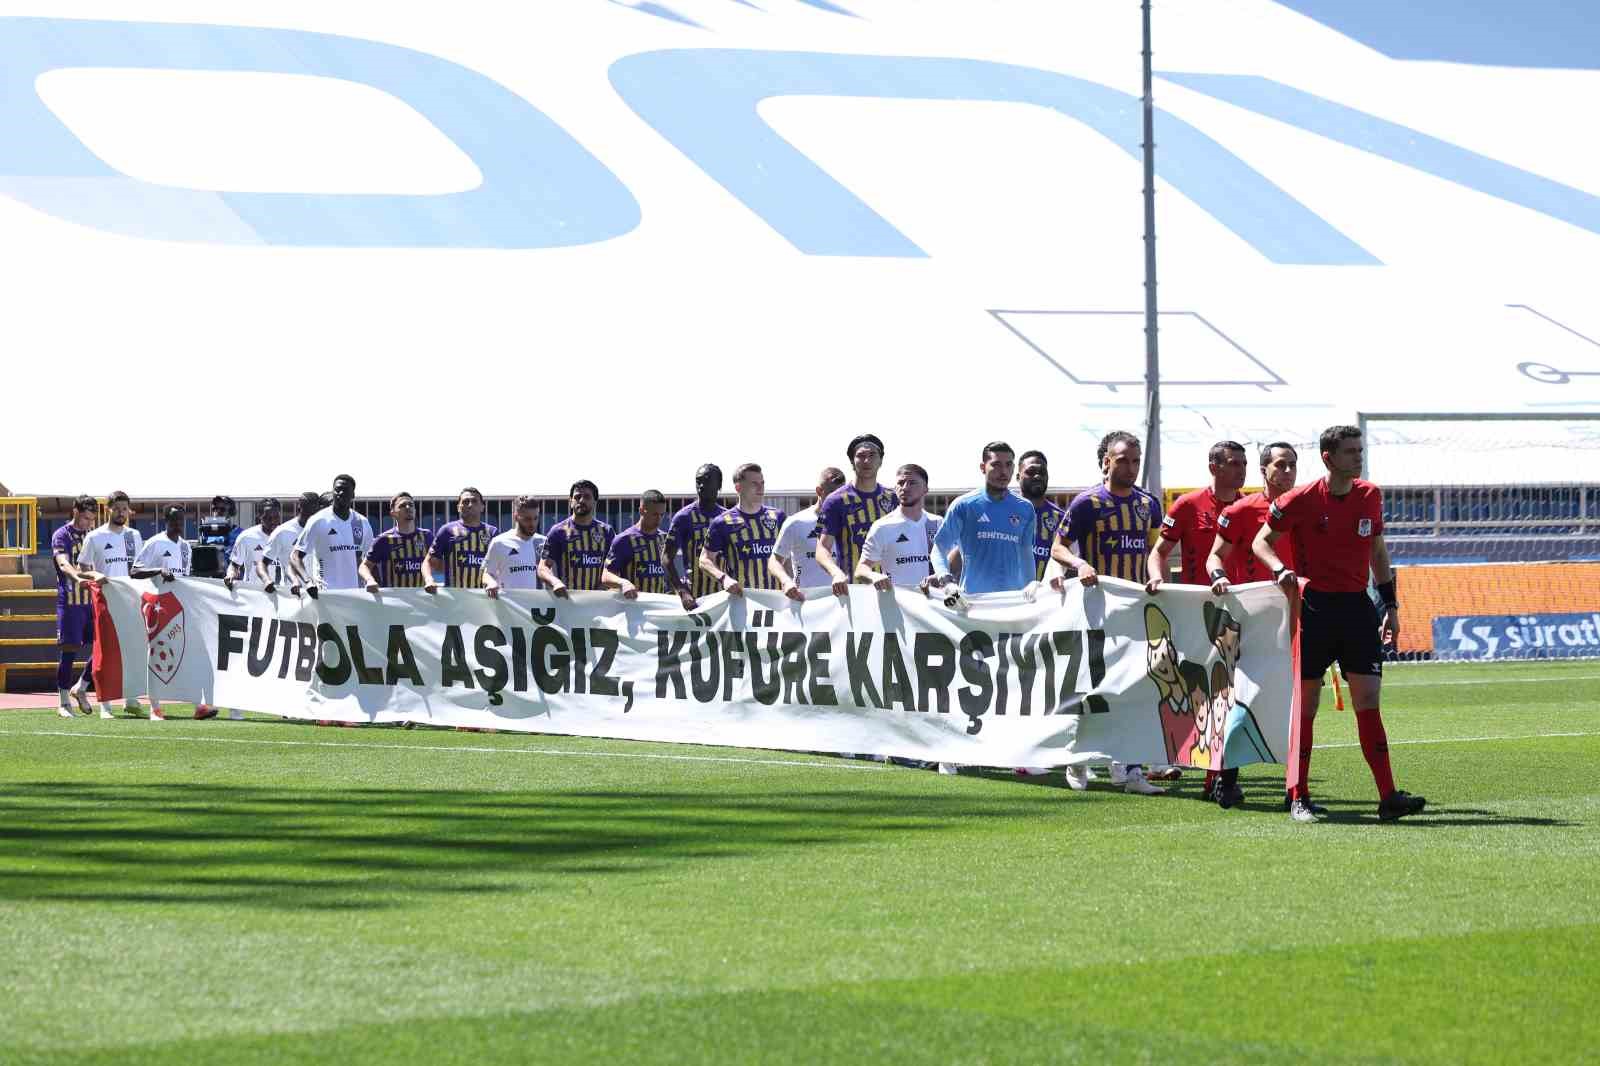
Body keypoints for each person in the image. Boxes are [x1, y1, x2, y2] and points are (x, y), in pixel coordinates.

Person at [1255, 425, 1427, 824]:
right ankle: (1298, 795)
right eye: (1350, 451)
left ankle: (1388, 797)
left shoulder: (1370, 495)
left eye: (1359, 450)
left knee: (1368, 701)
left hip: (1357, 611)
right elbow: (1261, 541)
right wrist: (1281, 569)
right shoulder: (1299, 499)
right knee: (1308, 706)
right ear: (1329, 457)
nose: (1358, 456)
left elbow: (1378, 553)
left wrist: (1390, 606)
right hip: (1313, 610)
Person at [1051, 431, 1168, 796]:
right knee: (1090, 685)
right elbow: (1057, 547)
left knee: (1134, 688)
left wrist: (1156, 577)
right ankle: (1077, 758)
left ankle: (1130, 771)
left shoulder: (1148, 504)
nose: (1131, 467)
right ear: (1106, 461)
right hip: (1097, 608)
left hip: (1134, 609)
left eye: (1135, 461)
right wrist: (1080, 563)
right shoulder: (1087, 503)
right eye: (1123, 460)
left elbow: (1154, 551)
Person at [1203, 441, 1301, 809]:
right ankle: (1226, 780)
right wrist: (1218, 576)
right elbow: (1216, 555)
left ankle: (1295, 788)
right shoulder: (1242, 510)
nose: (1288, 472)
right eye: (1280, 465)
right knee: (1243, 700)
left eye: (1292, 465)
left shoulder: (1305, 506)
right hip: (1253, 620)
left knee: (1298, 703)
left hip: (1299, 620)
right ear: (1264, 470)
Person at [76, 491, 152, 719]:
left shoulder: (135, 536)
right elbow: (81, 569)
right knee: (106, 652)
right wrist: (96, 574)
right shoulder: (95, 537)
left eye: (124, 508)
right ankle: (105, 706)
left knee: (135, 649)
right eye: (117, 508)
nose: (121, 512)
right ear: (108, 509)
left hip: (132, 599)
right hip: (106, 600)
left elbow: (139, 568)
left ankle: (131, 700)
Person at [931, 442, 1035, 595]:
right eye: (996, 465)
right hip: (974, 602)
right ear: (982, 467)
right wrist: (946, 581)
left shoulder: (1025, 508)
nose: (1004, 471)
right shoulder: (964, 505)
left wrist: (1031, 584)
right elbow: (939, 547)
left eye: (1008, 465)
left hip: (1013, 601)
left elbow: (1026, 553)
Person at [1148, 441, 1248, 592]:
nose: (1242, 470)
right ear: (1213, 468)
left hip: (1240, 601)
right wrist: (1156, 576)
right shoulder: (1187, 504)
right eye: (1234, 464)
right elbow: (1159, 552)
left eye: (1244, 464)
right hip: (1197, 602)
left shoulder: (1248, 506)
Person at [816, 433, 898, 597]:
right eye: (860, 456)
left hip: (892, 591)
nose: (866, 460)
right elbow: (822, 548)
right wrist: (836, 573)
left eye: (872, 455)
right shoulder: (835, 501)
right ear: (853, 462)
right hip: (854, 592)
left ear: (881, 460)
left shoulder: (893, 498)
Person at [700, 463, 793, 599]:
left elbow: (787, 558)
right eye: (754, 484)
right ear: (738, 488)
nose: (760, 487)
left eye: (762, 483)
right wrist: (724, 579)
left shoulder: (778, 517)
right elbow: (704, 559)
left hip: (777, 600)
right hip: (743, 601)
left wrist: (791, 582)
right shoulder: (722, 522)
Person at [49, 495, 99, 717]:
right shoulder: (61, 534)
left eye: (91, 519)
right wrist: (77, 577)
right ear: (75, 511)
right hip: (71, 601)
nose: (88, 522)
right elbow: (63, 562)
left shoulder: (94, 535)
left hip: (94, 601)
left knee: (102, 646)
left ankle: (81, 686)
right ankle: (62, 703)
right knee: (69, 650)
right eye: (85, 517)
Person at [857, 464, 943, 591]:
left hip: (933, 605)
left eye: (912, 483)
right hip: (898, 606)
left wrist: (941, 576)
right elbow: (861, 570)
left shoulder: (938, 523)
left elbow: (955, 562)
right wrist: (873, 576)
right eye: (901, 483)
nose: (905, 488)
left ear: (925, 488)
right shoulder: (882, 527)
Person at [290, 475, 375, 595]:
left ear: (353, 495)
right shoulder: (318, 520)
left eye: (345, 490)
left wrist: (372, 583)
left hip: (356, 594)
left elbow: (372, 559)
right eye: (337, 489)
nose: (340, 493)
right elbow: (295, 556)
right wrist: (307, 581)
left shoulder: (362, 522)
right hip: (326, 594)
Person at [770, 466, 847, 597]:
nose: (838, 500)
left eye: (842, 494)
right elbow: (774, 561)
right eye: (833, 494)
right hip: (807, 603)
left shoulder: (848, 522)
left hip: (842, 603)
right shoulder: (796, 522)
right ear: (819, 491)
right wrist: (786, 581)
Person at [662, 463, 726, 610]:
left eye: (708, 480)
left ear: (719, 485)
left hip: (724, 597)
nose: (702, 485)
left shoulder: (728, 517)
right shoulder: (684, 517)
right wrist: (682, 590)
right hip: (695, 599)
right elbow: (666, 558)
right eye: (698, 481)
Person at [539, 480, 615, 598]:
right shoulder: (558, 531)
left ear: (595, 502)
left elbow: (614, 568)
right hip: (569, 602)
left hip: (599, 601)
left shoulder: (607, 532)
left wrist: (597, 592)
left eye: (587, 497)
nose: (581, 500)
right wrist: (555, 582)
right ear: (570, 501)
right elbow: (543, 567)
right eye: (577, 497)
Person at [423, 487, 498, 593]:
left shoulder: (492, 532)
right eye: (466, 502)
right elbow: (429, 562)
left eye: (474, 501)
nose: (470, 505)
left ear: (482, 507)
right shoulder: (447, 530)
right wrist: (429, 579)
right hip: (456, 599)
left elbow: (501, 564)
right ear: (459, 507)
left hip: (485, 598)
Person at [603, 491, 672, 599]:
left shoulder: (665, 539)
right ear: (641, 511)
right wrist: (623, 583)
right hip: (635, 608)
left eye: (662, 514)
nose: (659, 519)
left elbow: (669, 573)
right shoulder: (624, 540)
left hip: (659, 607)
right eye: (654, 514)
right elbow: (606, 575)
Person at [361, 492, 433, 590]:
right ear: (393, 513)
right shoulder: (384, 540)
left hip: (422, 601)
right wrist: (370, 580)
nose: (408, 507)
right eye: (402, 505)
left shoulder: (427, 536)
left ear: (415, 510)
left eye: (411, 505)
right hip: (395, 602)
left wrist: (430, 580)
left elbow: (439, 563)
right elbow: (364, 566)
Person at [483, 495, 546, 598]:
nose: (532, 523)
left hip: (537, 607)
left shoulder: (543, 542)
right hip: (510, 607)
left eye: (536, 518)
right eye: (527, 519)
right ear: (516, 516)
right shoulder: (499, 542)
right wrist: (491, 583)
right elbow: (487, 573)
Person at [1017, 450, 1066, 583]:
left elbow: (1070, 558)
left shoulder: (1061, 519)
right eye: (1031, 472)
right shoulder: (1002, 511)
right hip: (1008, 597)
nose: (1037, 476)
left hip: (1045, 598)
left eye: (1042, 472)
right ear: (1018, 477)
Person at [261, 492, 322, 594]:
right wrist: (266, 579)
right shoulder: (282, 532)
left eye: (315, 513)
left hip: (321, 592)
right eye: (308, 513)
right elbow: (263, 563)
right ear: (299, 509)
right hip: (293, 593)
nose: (312, 517)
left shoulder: (323, 529)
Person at [225, 500, 276, 591]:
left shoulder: (286, 535)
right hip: (253, 593)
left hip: (282, 595)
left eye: (275, 516)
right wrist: (231, 575)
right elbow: (234, 565)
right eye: (267, 517)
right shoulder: (246, 537)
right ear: (259, 516)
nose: (272, 521)